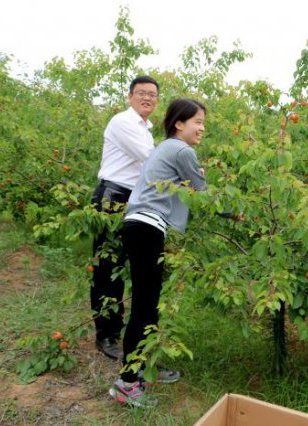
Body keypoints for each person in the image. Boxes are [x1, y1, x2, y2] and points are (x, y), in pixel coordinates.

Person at [108, 98, 207, 408]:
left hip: (142, 227)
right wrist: (236, 213)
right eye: (198, 122)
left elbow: (184, 187)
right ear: (179, 123)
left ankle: (144, 368)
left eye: (203, 123)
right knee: (144, 308)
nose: (202, 128)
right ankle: (127, 382)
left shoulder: (166, 149)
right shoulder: (182, 150)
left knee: (149, 307)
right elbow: (203, 194)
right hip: (146, 228)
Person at [91, 76, 159, 360]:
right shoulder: (123, 122)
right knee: (108, 268)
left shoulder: (146, 129)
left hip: (133, 199)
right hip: (113, 198)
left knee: (125, 268)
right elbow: (151, 160)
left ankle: (120, 330)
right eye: (141, 93)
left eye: (152, 94)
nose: (147, 98)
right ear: (130, 96)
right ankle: (106, 334)